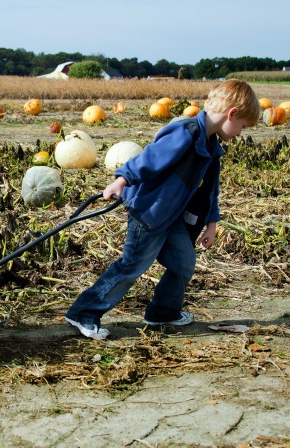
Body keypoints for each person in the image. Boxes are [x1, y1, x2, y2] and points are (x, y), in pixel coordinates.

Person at [64, 79, 261, 340]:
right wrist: (121, 180)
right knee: (131, 266)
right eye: (243, 126)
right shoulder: (185, 132)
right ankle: (83, 312)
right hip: (150, 213)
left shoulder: (212, 147)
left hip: (172, 218)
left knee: (183, 262)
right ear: (231, 114)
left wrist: (212, 223)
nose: (240, 133)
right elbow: (149, 158)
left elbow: (210, 191)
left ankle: (163, 312)